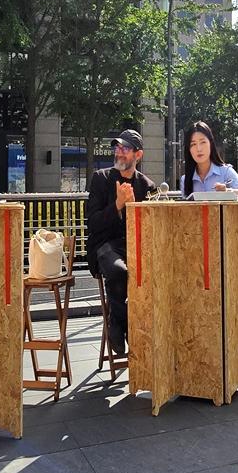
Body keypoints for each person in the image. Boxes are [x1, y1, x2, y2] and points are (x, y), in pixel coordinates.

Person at [86, 129, 156, 356]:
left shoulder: (147, 186)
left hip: (135, 247)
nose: (119, 153)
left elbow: (149, 229)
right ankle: (124, 326)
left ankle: (117, 320)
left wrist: (134, 209)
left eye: (125, 149)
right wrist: (117, 205)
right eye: (117, 148)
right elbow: (93, 223)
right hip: (105, 247)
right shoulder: (101, 178)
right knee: (118, 271)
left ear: (138, 155)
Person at [181, 121, 238, 197]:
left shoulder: (226, 172)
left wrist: (228, 191)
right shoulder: (185, 180)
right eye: (193, 144)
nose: (199, 149)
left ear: (211, 144)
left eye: (203, 142)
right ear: (189, 149)